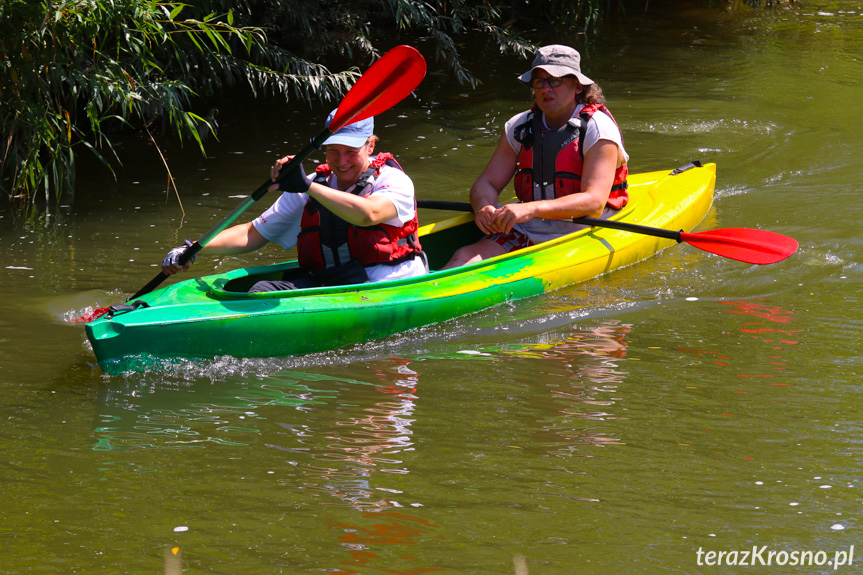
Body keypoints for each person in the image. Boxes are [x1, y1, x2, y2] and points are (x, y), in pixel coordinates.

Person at [161, 109, 427, 291]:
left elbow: (367, 214)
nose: (341, 161)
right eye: (333, 151)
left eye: (351, 152)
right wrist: (194, 249)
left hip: (386, 285)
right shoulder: (313, 182)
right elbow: (254, 233)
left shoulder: (393, 181)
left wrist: (306, 186)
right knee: (261, 291)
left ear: (370, 146)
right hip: (332, 281)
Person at [443, 44, 629, 269]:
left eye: (555, 81)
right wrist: (484, 207)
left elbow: (594, 202)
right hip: (529, 227)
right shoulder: (519, 126)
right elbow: (487, 183)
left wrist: (531, 208)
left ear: (578, 86)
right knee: (464, 257)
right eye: (539, 82)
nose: (546, 89)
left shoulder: (598, 128)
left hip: (585, 229)